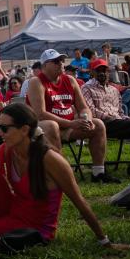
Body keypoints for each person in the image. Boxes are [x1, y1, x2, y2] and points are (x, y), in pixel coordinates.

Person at [0, 103, 130, 251]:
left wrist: (104, 241)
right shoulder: (7, 149)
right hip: (13, 211)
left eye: (5, 129)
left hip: (35, 226)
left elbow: (79, 201)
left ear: (24, 130)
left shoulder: (49, 159)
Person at [26, 49, 117, 183]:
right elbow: (40, 114)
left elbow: (83, 107)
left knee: (98, 124)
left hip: (67, 126)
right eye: (56, 61)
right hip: (42, 128)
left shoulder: (70, 80)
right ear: (44, 66)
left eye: (62, 60)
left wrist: (87, 119)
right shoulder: (36, 82)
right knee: (51, 126)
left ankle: (98, 173)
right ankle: (62, 174)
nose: (61, 64)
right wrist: (70, 123)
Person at [81, 58, 130, 174]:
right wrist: (110, 117)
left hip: (117, 123)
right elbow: (91, 111)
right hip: (100, 124)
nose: (102, 73)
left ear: (108, 72)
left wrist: (127, 118)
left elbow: (120, 113)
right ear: (92, 73)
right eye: (98, 70)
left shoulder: (114, 90)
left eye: (104, 70)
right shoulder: (87, 88)